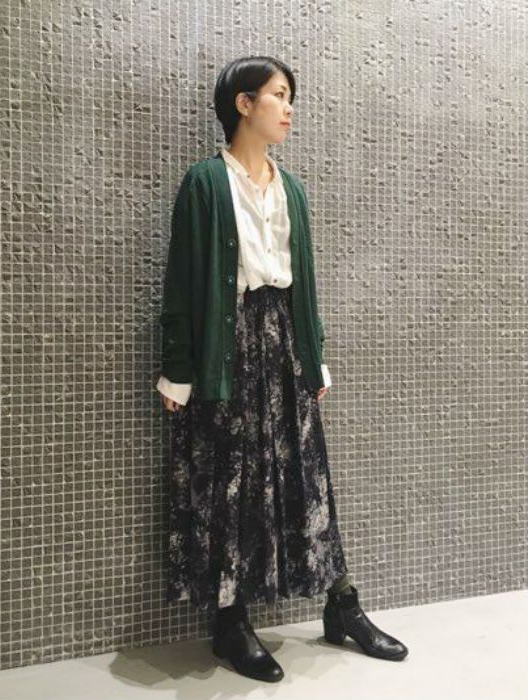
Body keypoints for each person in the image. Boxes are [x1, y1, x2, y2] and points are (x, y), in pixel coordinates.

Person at [157, 55, 408, 683]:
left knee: (307, 475)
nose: (289, 108)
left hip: (284, 346)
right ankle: (230, 621)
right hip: (228, 346)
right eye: (278, 94)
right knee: (229, 480)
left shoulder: (290, 188)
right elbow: (182, 284)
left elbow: (306, 285)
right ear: (244, 104)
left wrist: (313, 356)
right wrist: (178, 372)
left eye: (290, 96)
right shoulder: (205, 183)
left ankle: (341, 603)